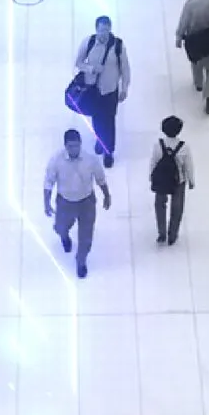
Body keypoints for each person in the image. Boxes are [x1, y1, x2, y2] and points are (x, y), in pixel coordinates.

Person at [44, 129, 111, 279]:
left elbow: (100, 178)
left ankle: (81, 261)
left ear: (80, 144)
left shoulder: (90, 160)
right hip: (65, 201)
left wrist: (106, 194)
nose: (73, 149)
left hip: (86, 201)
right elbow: (49, 182)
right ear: (65, 145)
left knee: (86, 235)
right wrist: (46, 202)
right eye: (70, 146)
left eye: (76, 145)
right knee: (60, 226)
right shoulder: (56, 160)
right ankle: (64, 236)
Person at [75, 16, 130, 169]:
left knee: (109, 122)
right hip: (92, 90)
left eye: (106, 30)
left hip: (110, 90)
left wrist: (124, 88)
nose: (103, 34)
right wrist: (91, 69)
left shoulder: (118, 46)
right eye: (100, 30)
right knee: (96, 118)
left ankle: (108, 151)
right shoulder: (88, 42)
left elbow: (125, 69)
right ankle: (99, 140)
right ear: (96, 29)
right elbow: (78, 63)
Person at [150, 116, 195, 246]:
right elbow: (188, 165)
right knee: (177, 207)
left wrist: (151, 176)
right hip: (178, 180)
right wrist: (191, 180)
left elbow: (153, 161)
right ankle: (173, 234)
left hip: (161, 179)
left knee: (160, 204)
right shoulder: (184, 147)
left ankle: (161, 233)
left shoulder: (158, 145)